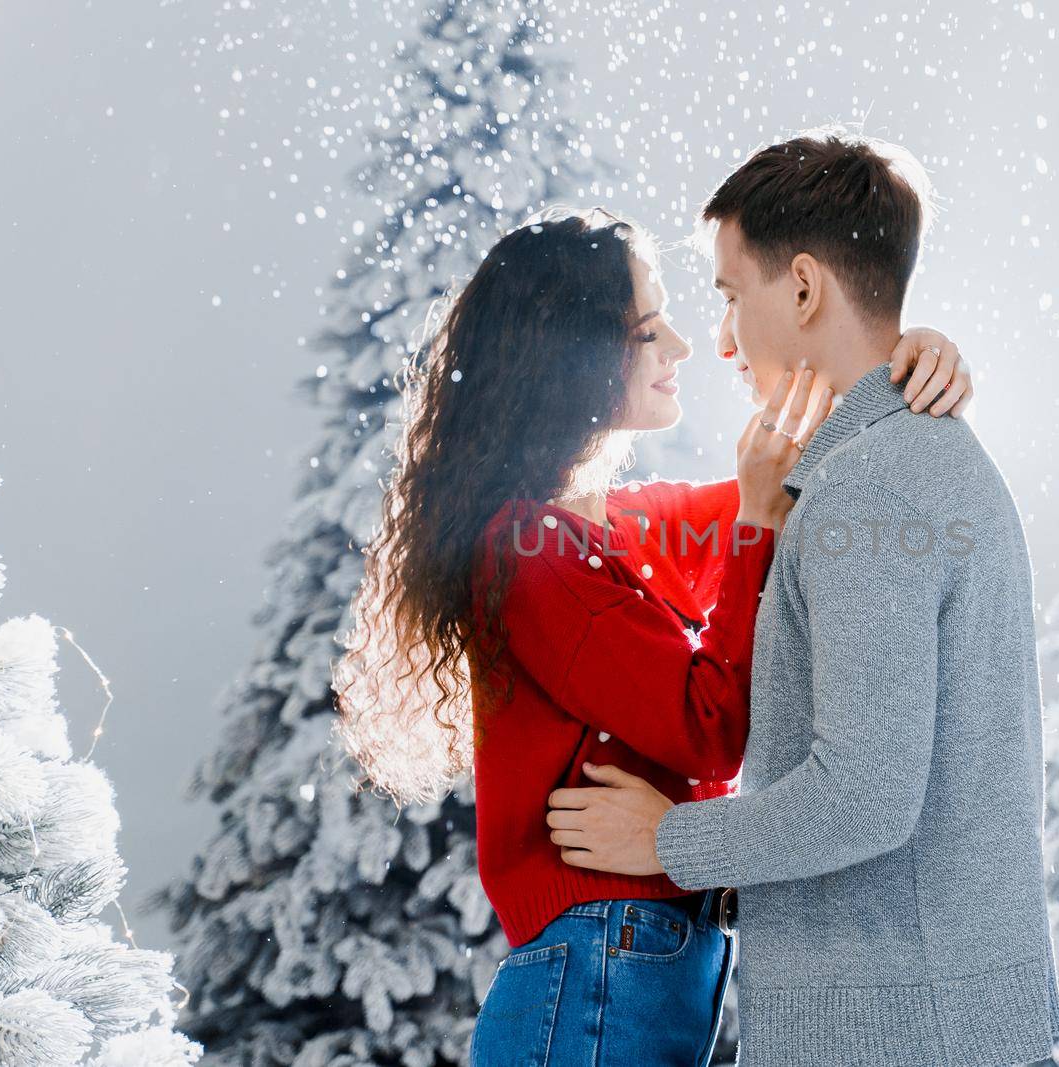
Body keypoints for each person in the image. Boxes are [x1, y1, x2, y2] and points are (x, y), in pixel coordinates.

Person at [333, 203, 972, 1067]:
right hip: (600, 978)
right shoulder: (532, 552)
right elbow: (707, 727)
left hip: (631, 972)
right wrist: (755, 518)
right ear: (574, 357)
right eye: (647, 328)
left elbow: (803, 475)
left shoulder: (610, 528)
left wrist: (904, 359)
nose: (679, 347)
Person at [547, 131, 1059, 1066]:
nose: (719, 338)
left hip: (894, 1034)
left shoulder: (869, 490)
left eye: (729, 294)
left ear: (801, 287)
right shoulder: (921, 458)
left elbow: (865, 795)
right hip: (940, 1019)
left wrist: (669, 840)